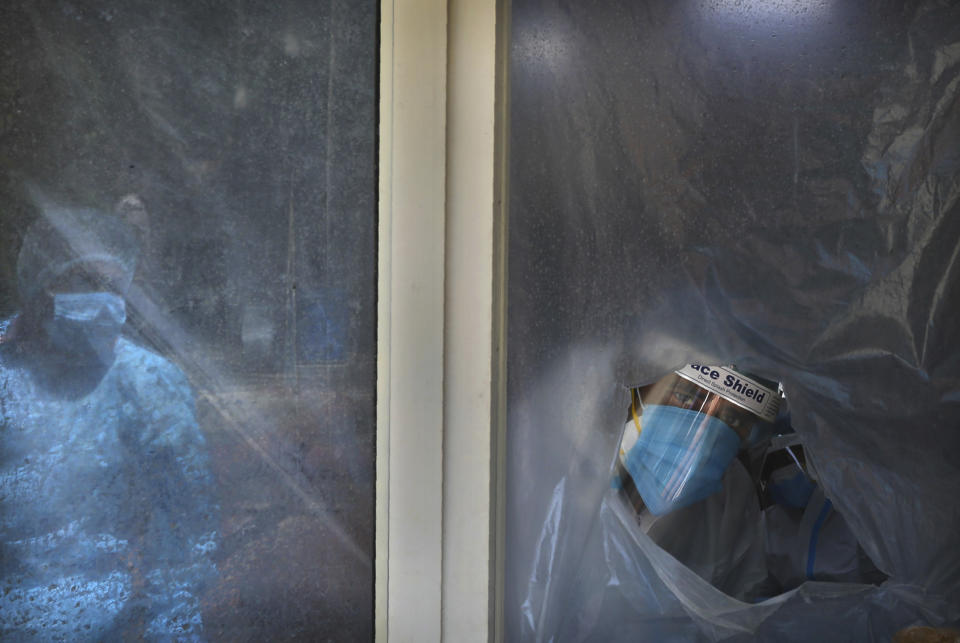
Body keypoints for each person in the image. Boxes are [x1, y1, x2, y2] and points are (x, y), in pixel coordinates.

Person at [0, 207, 218, 640]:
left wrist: (171, 631)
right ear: (41, 279)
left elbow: (183, 529)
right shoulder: (6, 368)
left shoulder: (146, 382)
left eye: (113, 287)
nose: (102, 301)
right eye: (84, 281)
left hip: (99, 623)